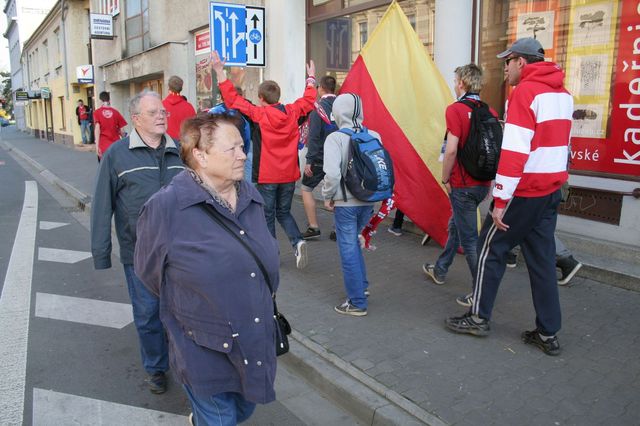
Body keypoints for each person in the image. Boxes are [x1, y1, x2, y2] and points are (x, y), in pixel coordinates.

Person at [134, 113, 279, 425]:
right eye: (232, 149)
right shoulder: (166, 207)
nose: (243, 155)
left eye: (243, 147)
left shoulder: (250, 196)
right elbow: (148, 274)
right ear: (199, 155)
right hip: (202, 345)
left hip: (252, 337)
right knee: (220, 417)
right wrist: (193, 301)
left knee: (243, 409)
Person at [445, 38, 573, 356]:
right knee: (542, 262)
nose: (505, 68)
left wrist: (500, 202)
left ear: (521, 62)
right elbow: (564, 146)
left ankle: (478, 317)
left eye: (508, 61)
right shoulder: (563, 94)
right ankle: (548, 332)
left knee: (491, 250)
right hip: (549, 190)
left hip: (524, 191)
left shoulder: (525, 93)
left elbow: (514, 152)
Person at [91, 90, 185, 393]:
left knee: (183, 313)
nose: (161, 116)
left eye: (163, 112)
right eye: (153, 112)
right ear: (135, 119)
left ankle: (184, 363)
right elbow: (102, 205)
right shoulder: (117, 155)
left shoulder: (181, 152)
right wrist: (101, 252)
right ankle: (156, 367)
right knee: (147, 315)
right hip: (139, 254)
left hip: (181, 253)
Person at [211, 50, 317, 269]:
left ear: (261, 98)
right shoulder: (292, 112)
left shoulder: (259, 114)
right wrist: (311, 78)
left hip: (268, 176)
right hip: (289, 175)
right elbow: (309, 100)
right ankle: (297, 241)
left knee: (267, 215)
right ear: (278, 96)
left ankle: (272, 253)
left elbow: (232, 99)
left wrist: (220, 71)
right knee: (284, 212)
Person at [422, 64, 495, 307]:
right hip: (483, 183)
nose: (454, 84)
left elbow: (451, 149)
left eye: (455, 81)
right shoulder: (490, 111)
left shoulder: (455, 110)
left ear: (462, 83)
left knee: (470, 241)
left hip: (462, 185)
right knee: (457, 226)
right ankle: (441, 269)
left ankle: (480, 293)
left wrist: (445, 179)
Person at [322, 93, 376, 316]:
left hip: (346, 203)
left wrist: (327, 195)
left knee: (348, 251)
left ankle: (356, 302)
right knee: (354, 243)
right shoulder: (374, 135)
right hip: (369, 200)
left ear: (337, 112)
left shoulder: (335, 138)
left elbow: (333, 175)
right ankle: (361, 286)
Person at [301, 75, 337, 240]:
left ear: (320, 88)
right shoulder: (342, 106)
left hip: (320, 158)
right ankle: (338, 229)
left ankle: (313, 226)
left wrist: (309, 160)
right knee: (339, 192)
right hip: (338, 157)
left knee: (306, 188)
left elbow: (314, 137)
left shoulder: (318, 108)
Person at [209, 86, 253, 182]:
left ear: (221, 97)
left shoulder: (213, 112)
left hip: (219, 154)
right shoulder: (244, 112)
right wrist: (243, 152)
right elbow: (247, 136)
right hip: (239, 152)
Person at [93, 91, 127, 161]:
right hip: (116, 146)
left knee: (104, 169)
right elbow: (122, 131)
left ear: (100, 101)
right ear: (109, 100)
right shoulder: (116, 112)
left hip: (103, 146)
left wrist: (97, 146)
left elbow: (97, 129)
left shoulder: (97, 112)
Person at [162, 75, 196, 141]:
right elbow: (194, 129)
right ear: (181, 88)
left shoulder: (162, 105)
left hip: (166, 144)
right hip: (183, 145)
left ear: (168, 87)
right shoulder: (189, 107)